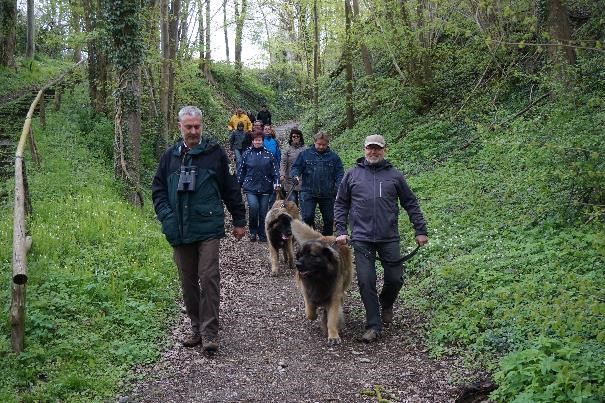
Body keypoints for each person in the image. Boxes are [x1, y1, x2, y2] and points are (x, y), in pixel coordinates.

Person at [152, 106, 247, 352]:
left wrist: (239, 219)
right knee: (188, 281)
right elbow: (158, 191)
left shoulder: (214, 154)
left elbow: (230, 187)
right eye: (189, 127)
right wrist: (166, 217)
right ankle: (196, 326)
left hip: (208, 227)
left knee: (208, 277)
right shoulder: (170, 157)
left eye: (197, 126)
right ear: (180, 127)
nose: (193, 131)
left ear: (201, 126)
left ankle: (210, 333)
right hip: (179, 229)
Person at [334, 134, 428, 343]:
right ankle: (373, 325)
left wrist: (420, 230)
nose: (373, 152)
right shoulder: (352, 175)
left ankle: (385, 303)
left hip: (389, 237)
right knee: (366, 281)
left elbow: (410, 203)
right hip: (361, 238)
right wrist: (341, 230)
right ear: (364, 149)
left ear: (385, 150)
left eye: (378, 148)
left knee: (395, 278)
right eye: (370, 148)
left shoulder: (394, 176)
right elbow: (341, 204)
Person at [291, 131, 344, 236]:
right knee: (307, 217)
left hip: (328, 193)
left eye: (323, 145)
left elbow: (339, 174)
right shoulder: (305, 154)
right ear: (314, 142)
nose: (321, 146)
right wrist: (295, 176)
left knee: (329, 219)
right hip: (308, 192)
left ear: (327, 144)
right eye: (319, 144)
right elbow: (296, 167)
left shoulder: (334, 157)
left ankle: (326, 242)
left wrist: (339, 186)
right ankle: (310, 239)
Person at [237, 133, 280, 243]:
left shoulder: (269, 154)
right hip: (250, 187)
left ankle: (262, 233)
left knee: (263, 211)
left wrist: (276, 182)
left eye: (259, 140)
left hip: (265, 187)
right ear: (252, 141)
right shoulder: (246, 154)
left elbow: (275, 171)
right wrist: (238, 185)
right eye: (255, 140)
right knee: (254, 207)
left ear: (262, 141)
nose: (257, 142)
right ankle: (253, 232)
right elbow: (241, 171)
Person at [279, 127, 305, 205]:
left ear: (300, 138)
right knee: (293, 202)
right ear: (291, 138)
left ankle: (303, 217)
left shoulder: (305, 150)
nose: (295, 138)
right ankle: (293, 216)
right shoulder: (287, 150)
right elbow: (283, 163)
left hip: (303, 179)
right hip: (290, 180)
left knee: (304, 202)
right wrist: (282, 174)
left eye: (297, 136)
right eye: (294, 136)